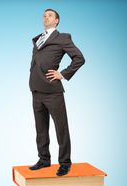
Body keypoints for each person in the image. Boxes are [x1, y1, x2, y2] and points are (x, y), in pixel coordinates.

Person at [29, 9, 85, 176]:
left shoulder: (62, 38)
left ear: (57, 21)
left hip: (53, 91)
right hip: (36, 90)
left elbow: (79, 58)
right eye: (44, 15)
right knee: (41, 130)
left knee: (61, 128)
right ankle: (44, 160)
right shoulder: (38, 39)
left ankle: (65, 163)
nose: (46, 18)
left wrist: (63, 74)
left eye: (50, 15)